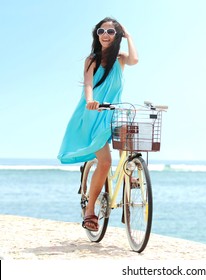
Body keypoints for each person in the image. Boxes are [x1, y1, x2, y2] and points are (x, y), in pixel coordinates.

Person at [57, 17, 138, 231]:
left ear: (117, 35)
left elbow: (135, 60)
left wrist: (129, 36)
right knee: (104, 162)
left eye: (111, 32)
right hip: (94, 113)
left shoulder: (120, 59)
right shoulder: (92, 59)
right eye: (101, 31)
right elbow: (88, 84)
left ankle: (131, 176)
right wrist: (90, 100)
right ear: (97, 34)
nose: (105, 35)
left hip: (115, 112)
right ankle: (90, 211)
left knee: (131, 136)